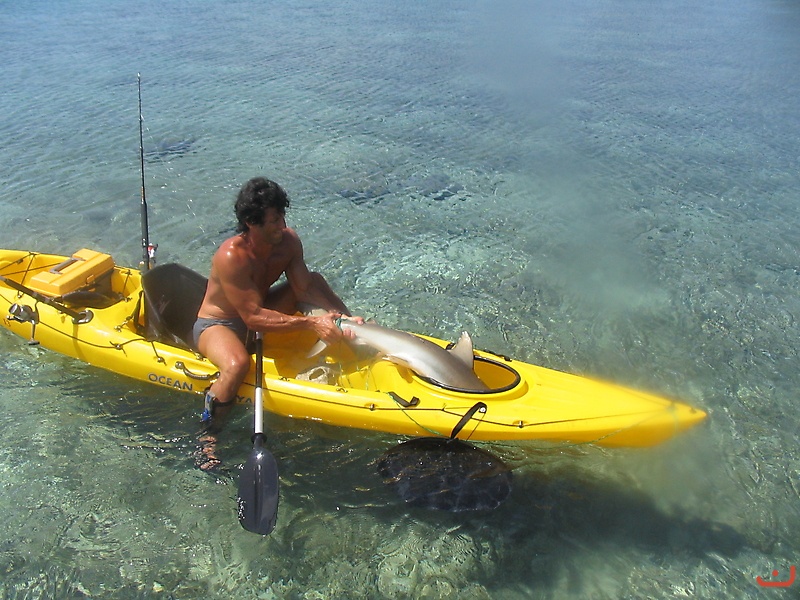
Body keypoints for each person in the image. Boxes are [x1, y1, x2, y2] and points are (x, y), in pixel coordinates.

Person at [192, 176, 358, 468]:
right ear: (251, 222)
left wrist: (340, 317)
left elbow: (304, 289)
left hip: (259, 311)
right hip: (220, 325)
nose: (282, 226)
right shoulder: (231, 256)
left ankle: (354, 329)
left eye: (282, 217)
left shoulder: (288, 241)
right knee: (237, 365)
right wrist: (310, 325)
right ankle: (207, 436)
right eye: (273, 221)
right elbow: (252, 317)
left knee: (315, 281)